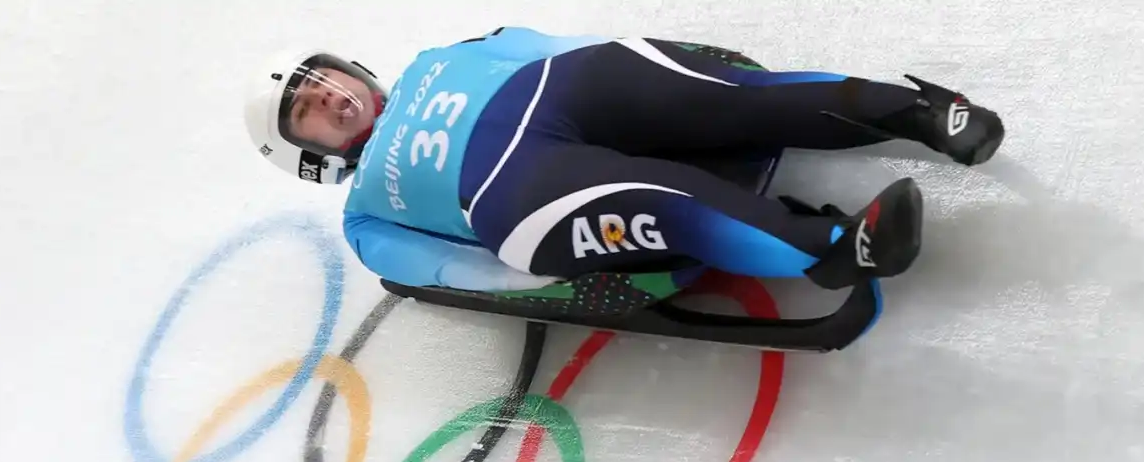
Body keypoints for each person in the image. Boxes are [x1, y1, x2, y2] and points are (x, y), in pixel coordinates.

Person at [244, 27, 1004, 293]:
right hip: (511, 191)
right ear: (308, 153)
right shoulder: (366, 215)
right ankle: (835, 248)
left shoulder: (442, 55)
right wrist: (561, 282)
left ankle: (923, 113)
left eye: (322, 79)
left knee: (735, 98)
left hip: (563, 90)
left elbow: (545, 49)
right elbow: (451, 275)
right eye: (308, 109)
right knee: (663, 193)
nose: (330, 97)